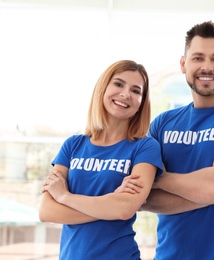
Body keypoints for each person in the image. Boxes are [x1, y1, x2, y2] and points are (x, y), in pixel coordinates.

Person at [119, 21, 214, 259]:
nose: (207, 67)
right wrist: (209, 188)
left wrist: (159, 178)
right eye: (198, 58)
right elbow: (140, 198)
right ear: (184, 64)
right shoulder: (162, 124)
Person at [38, 60, 163, 259]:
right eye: (119, 84)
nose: (125, 94)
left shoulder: (145, 147)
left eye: (136, 90)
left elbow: (125, 208)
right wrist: (109, 206)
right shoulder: (73, 145)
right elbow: (46, 211)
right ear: (103, 88)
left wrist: (65, 197)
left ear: (141, 102)